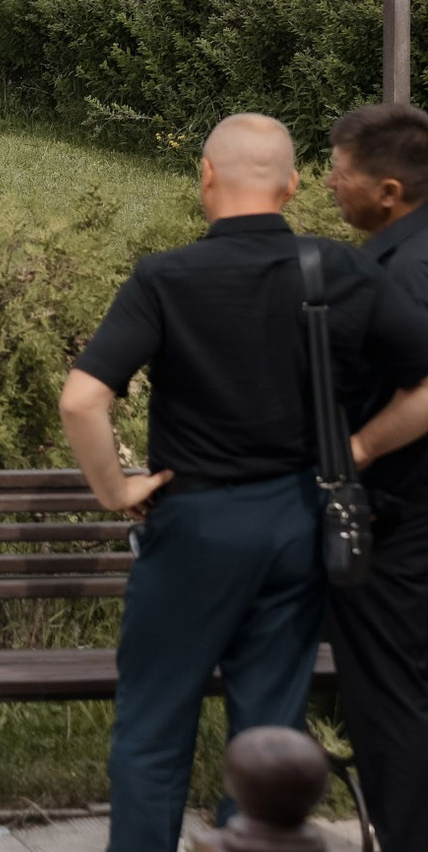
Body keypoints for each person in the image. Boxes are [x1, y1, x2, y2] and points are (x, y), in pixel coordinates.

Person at [59, 113, 428, 852]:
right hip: (297, 525)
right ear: (292, 186)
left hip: (194, 529)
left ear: (205, 176)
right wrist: (357, 446)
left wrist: (113, 488)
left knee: (155, 725)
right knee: (268, 733)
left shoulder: (163, 277)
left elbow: (82, 398)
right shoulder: (339, 269)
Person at [322, 103, 428, 850]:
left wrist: (354, 450)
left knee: (392, 705)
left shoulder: (404, 271)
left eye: (341, 171)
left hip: (402, 526)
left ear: (388, 191)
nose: (330, 184)